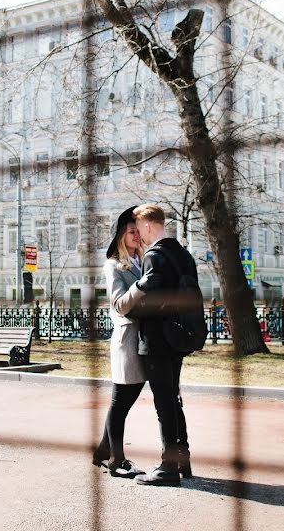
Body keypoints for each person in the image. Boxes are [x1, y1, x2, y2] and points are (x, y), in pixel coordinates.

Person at [122, 203, 196, 487]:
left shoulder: (155, 256)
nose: (139, 235)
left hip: (157, 339)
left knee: (163, 401)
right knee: (174, 397)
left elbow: (150, 300)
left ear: (149, 226)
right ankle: (183, 456)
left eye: (139, 229)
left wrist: (129, 310)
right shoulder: (183, 254)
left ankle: (167, 466)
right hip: (179, 336)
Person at [91, 206, 146, 479]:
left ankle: (103, 449)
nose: (137, 235)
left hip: (145, 341)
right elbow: (118, 303)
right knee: (121, 400)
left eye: (139, 230)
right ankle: (116, 459)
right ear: (121, 235)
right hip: (127, 340)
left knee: (125, 399)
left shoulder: (144, 261)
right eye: (131, 231)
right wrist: (144, 285)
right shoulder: (114, 264)